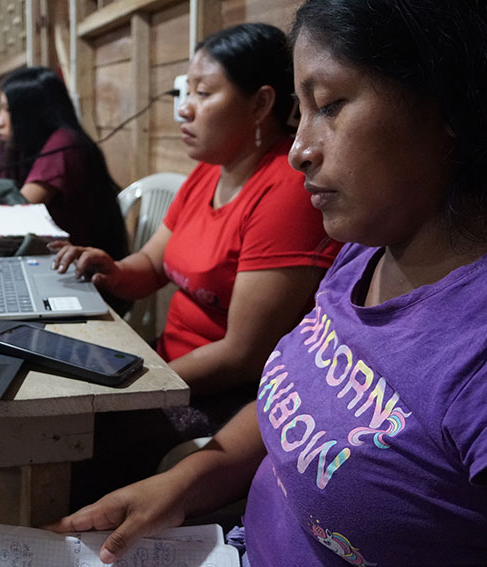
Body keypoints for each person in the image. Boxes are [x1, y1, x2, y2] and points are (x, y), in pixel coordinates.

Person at [52, 1, 487, 565]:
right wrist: (184, 482)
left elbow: (241, 356)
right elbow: (294, 400)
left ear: (447, 101)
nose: (300, 151)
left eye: (329, 105)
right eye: (301, 111)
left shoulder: (471, 354)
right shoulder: (364, 252)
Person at [53, 24, 338, 399]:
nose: (183, 109)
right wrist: (114, 271)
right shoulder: (210, 170)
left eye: (202, 93)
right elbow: (152, 264)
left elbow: (243, 357)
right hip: (166, 366)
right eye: (185, 92)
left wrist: (136, 389)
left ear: (260, 104)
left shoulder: (286, 191)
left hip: (224, 394)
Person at [0, 66, 128, 262]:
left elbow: (21, 211)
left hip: (85, 269)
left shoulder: (64, 144)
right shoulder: (30, 147)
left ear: (31, 112)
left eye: (7, 109)